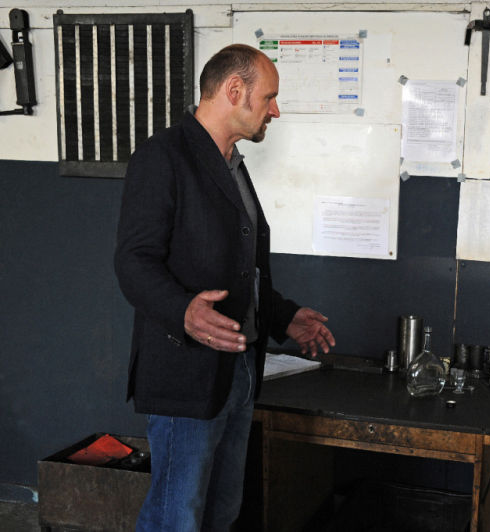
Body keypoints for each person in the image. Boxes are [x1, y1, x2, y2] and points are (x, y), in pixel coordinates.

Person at [114, 44, 336, 531]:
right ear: (235, 91)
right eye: (270, 97)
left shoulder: (232, 164)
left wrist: (283, 316)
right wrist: (184, 310)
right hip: (185, 371)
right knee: (177, 518)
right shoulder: (163, 156)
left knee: (221, 512)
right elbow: (133, 261)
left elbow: (241, 270)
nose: (275, 110)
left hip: (237, 371)